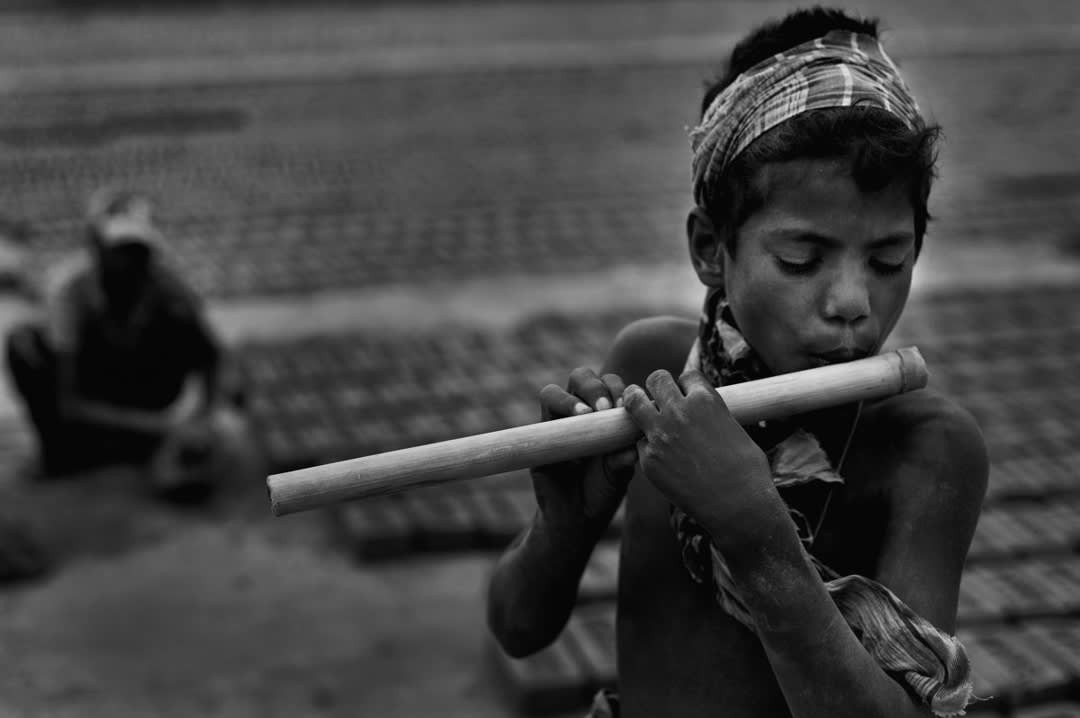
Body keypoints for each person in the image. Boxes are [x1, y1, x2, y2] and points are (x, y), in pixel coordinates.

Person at [486, 8, 988, 718]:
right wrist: (562, 525)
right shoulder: (652, 367)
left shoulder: (927, 450)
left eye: (888, 260)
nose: (852, 304)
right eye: (802, 260)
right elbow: (517, 627)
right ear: (710, 250)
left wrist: (756, 535)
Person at [5, 189, 249, 500]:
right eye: (120, 250)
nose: (131, 262)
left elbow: (213, 355)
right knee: (23, 343)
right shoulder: (69, 290)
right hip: (95, 391)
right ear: (95, 246)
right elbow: (70, 402)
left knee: (187, 328)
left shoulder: (168, 288)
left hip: (144, 389)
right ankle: (64, 454)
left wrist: (204, 417)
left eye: (138, 251)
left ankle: (137, 448)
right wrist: (162, 427)